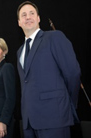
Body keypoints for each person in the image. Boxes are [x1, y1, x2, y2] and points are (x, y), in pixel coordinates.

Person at [16, 1, 81, 138]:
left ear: (38, 18)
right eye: (24, 15)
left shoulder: (54, 37)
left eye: (32, 13)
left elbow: (73, 74)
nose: (28, 17)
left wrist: (66, 103)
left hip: (54, 117)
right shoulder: (20, 51)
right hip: (29, 122)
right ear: (19, 22)